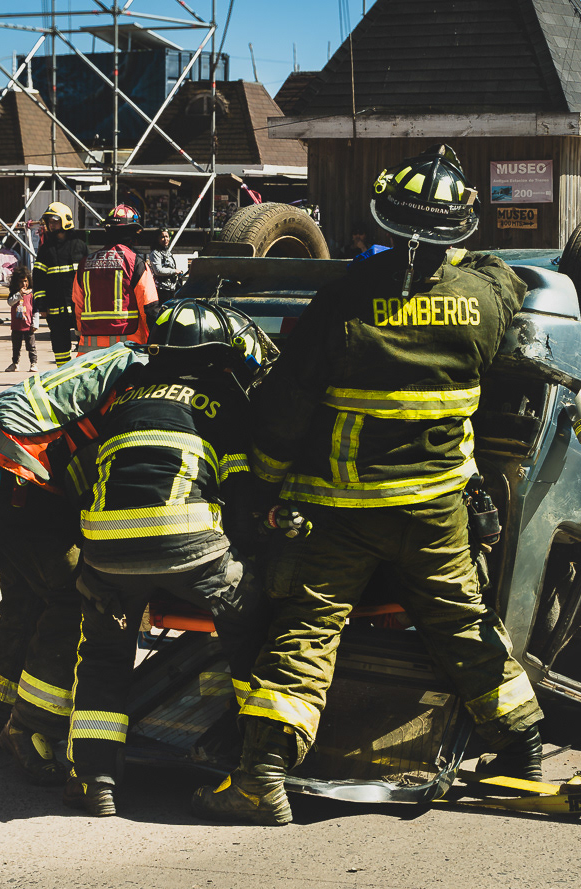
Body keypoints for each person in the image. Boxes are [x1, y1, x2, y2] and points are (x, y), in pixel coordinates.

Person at [192, 144, 544, 827]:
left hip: (341, 511)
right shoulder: (485, 295)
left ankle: (262, 774)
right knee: (463, 623)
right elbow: (502, 276)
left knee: (308, 628)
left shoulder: (345, 297)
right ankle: (523, 748)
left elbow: (287, 406)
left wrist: (261, 485)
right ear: (457, 229)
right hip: (439, 506)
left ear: (384, 222)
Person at [65, 300, 275, 817]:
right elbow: (244, 493)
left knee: (105, 658)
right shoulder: (226, 397)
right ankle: (252, 768)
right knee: (253, 632)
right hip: (188, 548)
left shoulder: (126, 398)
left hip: (107, 551)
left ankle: (97, 781)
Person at [0, 341, 152, 785]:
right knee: (74, 594)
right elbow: (99, 474)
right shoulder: (146, 385)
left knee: (27, 596)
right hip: (17, 470)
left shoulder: (128, 357)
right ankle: (30, 731)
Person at [71, 204, 160, 356]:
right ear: (133, 233)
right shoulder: (135, 263)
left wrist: (81, 334)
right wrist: (154, 342)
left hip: (90, 351)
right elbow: (150, 308)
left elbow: (78, 306)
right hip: (127, 349)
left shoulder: (85, 264)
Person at [33, 201, 88, 368]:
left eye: (54, 221)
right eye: (49, 222)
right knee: (60, 345)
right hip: (56, 307)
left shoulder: (80, 246)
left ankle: (83, 373)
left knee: (85, 343)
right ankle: (63, 373)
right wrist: (41, 304)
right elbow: (38, 277)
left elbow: (88, 276)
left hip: (80, 306)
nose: (51, 225)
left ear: (66, 220)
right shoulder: (45, 249)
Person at [5, 267, 39, 373]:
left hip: (28, 326)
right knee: (16, 347)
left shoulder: (32, 294)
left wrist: (35, 323)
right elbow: (10, 302)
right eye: (21, 282)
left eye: (25, 281)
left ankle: (33, 363)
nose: (24, 284)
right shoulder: (15, 294)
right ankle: (15, 363)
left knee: (31, 346)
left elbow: (35, 309)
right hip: (16, 326)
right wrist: (19, 294)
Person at [147, 228, 180, 296]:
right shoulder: (155, 253)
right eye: (162, 237)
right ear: (157, 239)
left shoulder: (168, 253)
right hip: (161, 290)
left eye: (167, 237)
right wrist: (174, 271)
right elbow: (158, 271)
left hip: (172, 289)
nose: (165, 239)